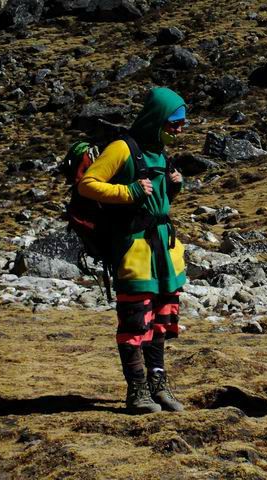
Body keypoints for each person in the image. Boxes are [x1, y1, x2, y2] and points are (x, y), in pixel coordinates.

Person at [78, 87, 188, 414]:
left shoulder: (160, 152)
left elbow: (157, 202)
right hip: (135, 251)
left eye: (183, 122)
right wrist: (128, 191)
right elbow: (87, 184)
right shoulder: (123, 149)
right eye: (176, 121)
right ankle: (136, 391)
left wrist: (175, 185)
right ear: (158, 119)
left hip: (164, 252)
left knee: (160, 321)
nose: (181, 128)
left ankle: (158, 385)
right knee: (135, 321)